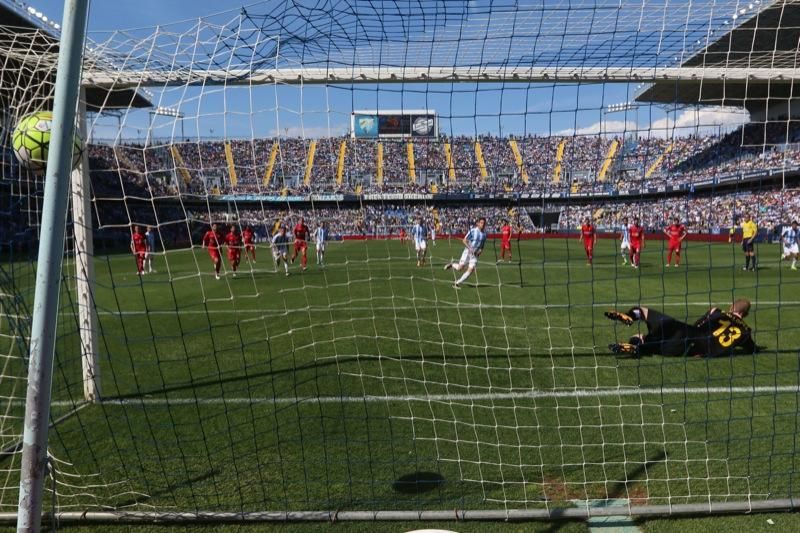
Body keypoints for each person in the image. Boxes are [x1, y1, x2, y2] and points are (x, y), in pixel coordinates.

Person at [605, 298, 763, 359]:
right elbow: (752, 349)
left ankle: (631, 318)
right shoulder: (745, 332)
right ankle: (636, 347)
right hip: (689, 351)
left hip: (685, 333)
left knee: (643, 313)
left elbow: (698, 325)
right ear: (745, 314)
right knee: (651, 343)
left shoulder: (716, 311)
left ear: (732, 307)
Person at [444, 217, 487, 288]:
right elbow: (464, 240)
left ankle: (456, 283)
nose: (483, 224)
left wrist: (480, 252)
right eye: (481, 223)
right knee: (460, 268)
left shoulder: (485, 234)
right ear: (478, 223)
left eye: (484, 223)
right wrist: (470, 248)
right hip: (467, 252)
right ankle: (452, 265)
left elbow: (482, 245)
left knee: (471, 270)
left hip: (475, 255)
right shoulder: (473, 231)